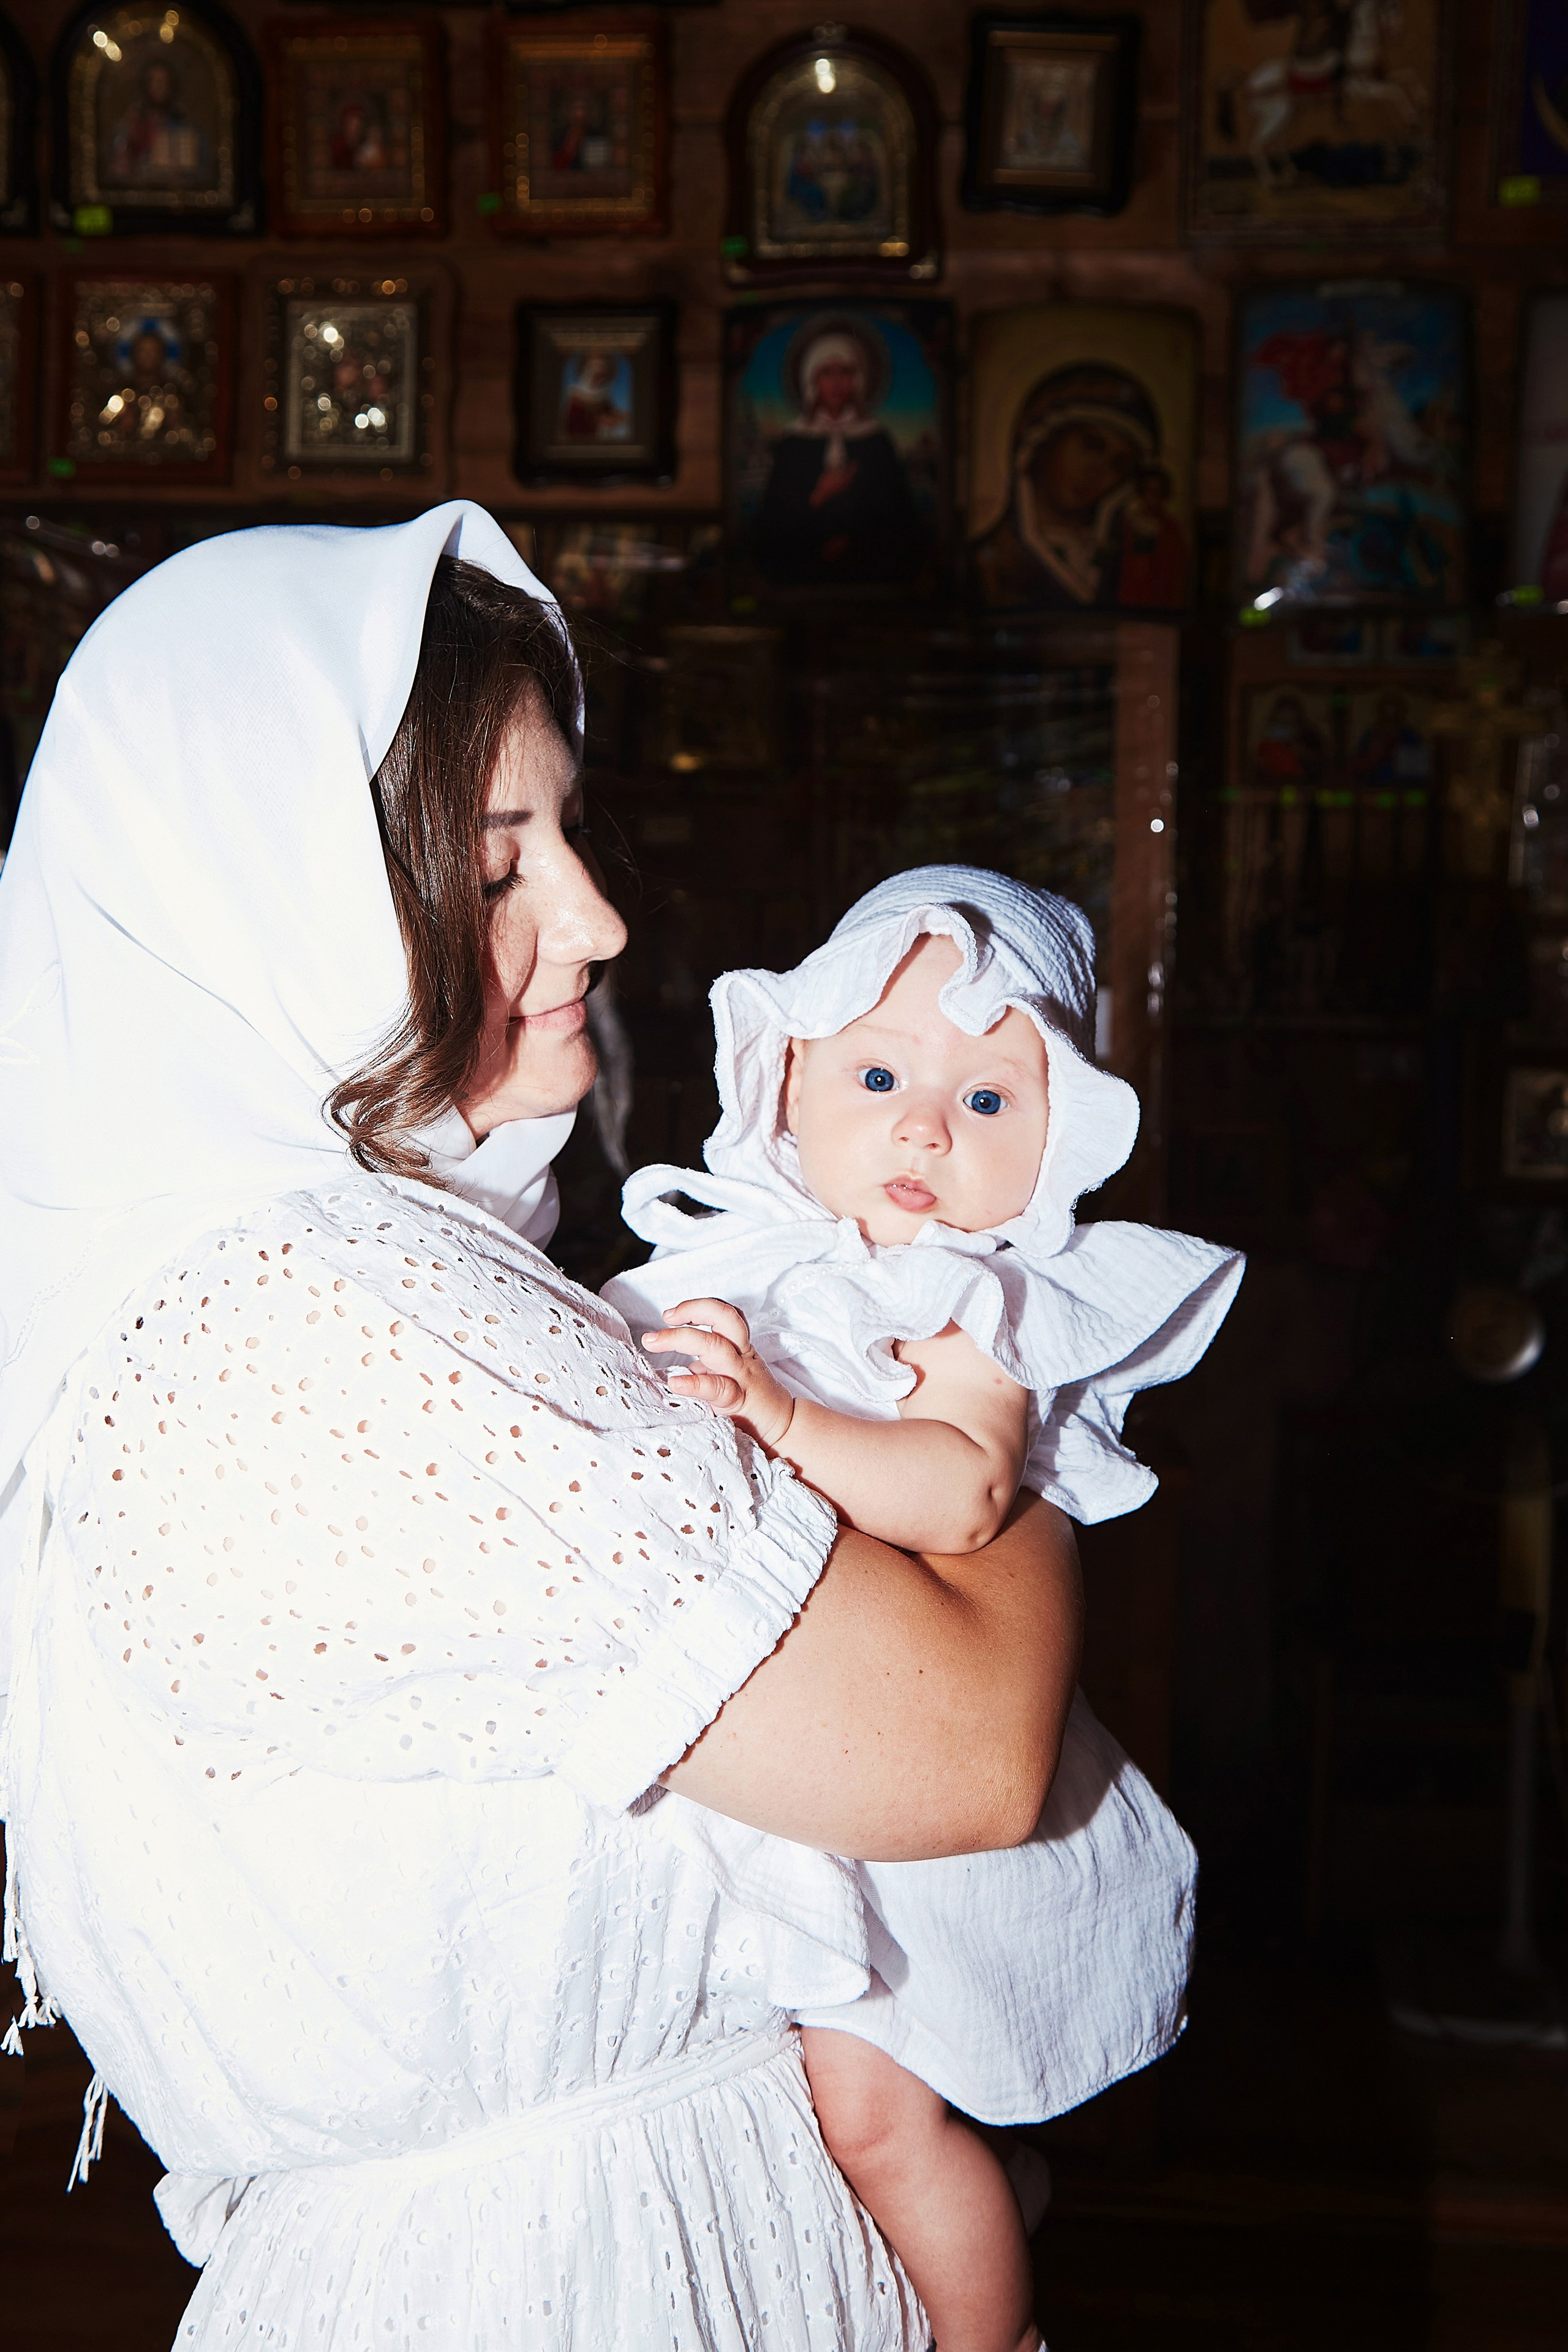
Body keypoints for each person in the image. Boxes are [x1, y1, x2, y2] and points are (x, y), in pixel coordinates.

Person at [0, 505, 1083, 2350]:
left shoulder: (300, 1273)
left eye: (569, 832)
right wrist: (1006, 1353)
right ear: (270, 895)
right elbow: (966, 1742)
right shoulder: (324, 1325)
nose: (595, 915)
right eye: (500, 864)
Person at [605, 869, 1243, 2352]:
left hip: (906, 1819)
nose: (919, 1128)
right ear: (786, 1082)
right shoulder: (741, 1248)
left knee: (874, 2121)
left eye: (984, 1102)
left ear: (1054, 1146)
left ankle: (982, 2331)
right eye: (880, 1075)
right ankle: (981, 2206)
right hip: (786, 1752)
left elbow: (961, 1486)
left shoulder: (980, 1303)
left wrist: (775, 1413)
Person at [970, 364, 1171, 611]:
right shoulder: (986, 564)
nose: (1099, 471)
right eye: (1091, 444)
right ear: (1040, 442)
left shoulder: (1129, 559)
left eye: (1120, 465)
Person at [752, 323, 925, 587]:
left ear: (859, 379)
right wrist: (819, 495)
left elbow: (899, 516)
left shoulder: (876, 440)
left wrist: (851, 539)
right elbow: (772, 522)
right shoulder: (793, 443)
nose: (836, 383)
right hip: (802, 573)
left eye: (845, 372)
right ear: (812, 379)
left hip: (869, 573)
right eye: (826, 373)